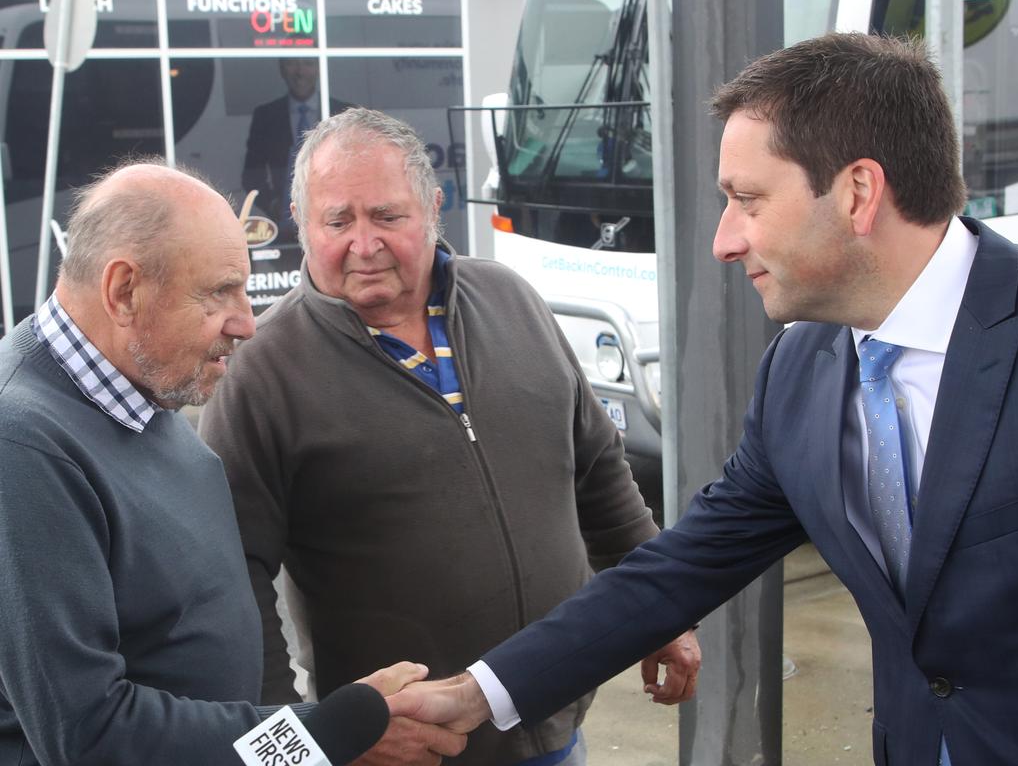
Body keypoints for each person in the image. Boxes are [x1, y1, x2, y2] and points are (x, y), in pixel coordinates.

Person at [385, 32, 1018, 766]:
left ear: (857, 193)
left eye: (747, 200)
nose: (723, 241)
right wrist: (475, 694)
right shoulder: (798, 369)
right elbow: (684, 565)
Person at [199, 107, 701, 766]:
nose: (364, 243)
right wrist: (309, 739)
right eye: (338, 221)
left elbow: (599, 474)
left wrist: (660, 608)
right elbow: (236, 582)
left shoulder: (511, 299)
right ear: (301, 222)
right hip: (406, 749)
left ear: (434, 208)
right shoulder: (263, 372)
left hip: (557, 721)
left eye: (387, 216)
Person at [0, 161, 443, 765]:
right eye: (218, 292)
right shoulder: (23, 444)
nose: (247, 324)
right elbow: (89, 736)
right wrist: (319, 738)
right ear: (124, 291)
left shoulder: (139, 387)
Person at [241, 58, 349, 242]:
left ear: (318, 68)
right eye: (292, 63)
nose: (300, 72)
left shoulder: (344, 112)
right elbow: (251, 175)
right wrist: (273, 204)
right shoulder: (265, 115)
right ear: (282, 69)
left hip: (338, 229)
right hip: (284, 231)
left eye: (307, 63)